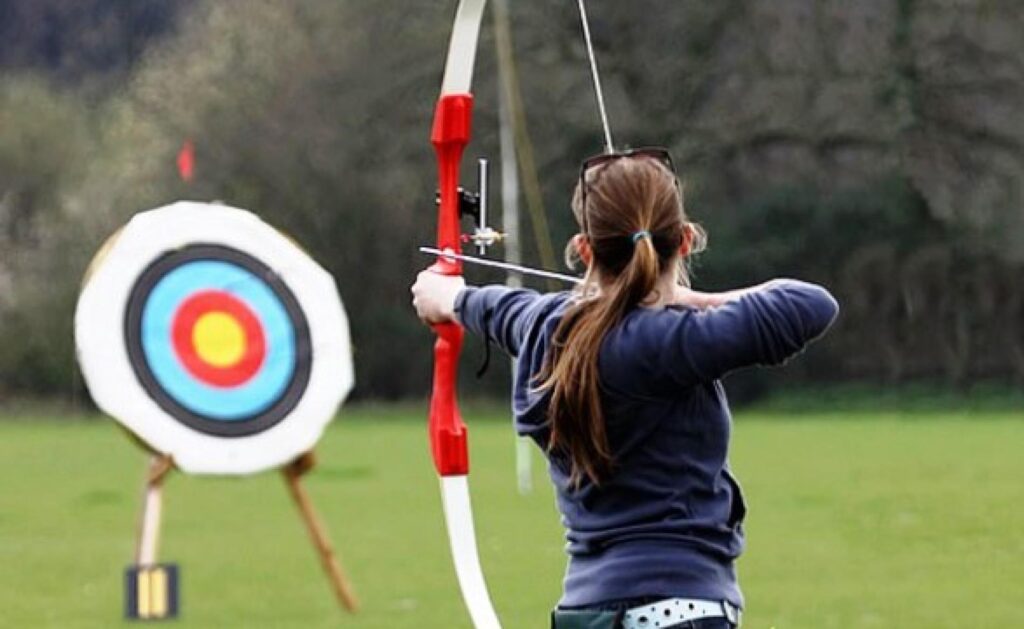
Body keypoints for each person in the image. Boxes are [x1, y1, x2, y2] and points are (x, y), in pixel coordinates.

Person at [411, 148, 839, 629]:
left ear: (584, 249)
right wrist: (687, 299)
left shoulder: (542, 325)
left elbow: (486, 305)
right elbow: (810, 303)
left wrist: (449, 296)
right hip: (680, 612)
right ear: (686, 240)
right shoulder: (670, 341)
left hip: (583, 613)